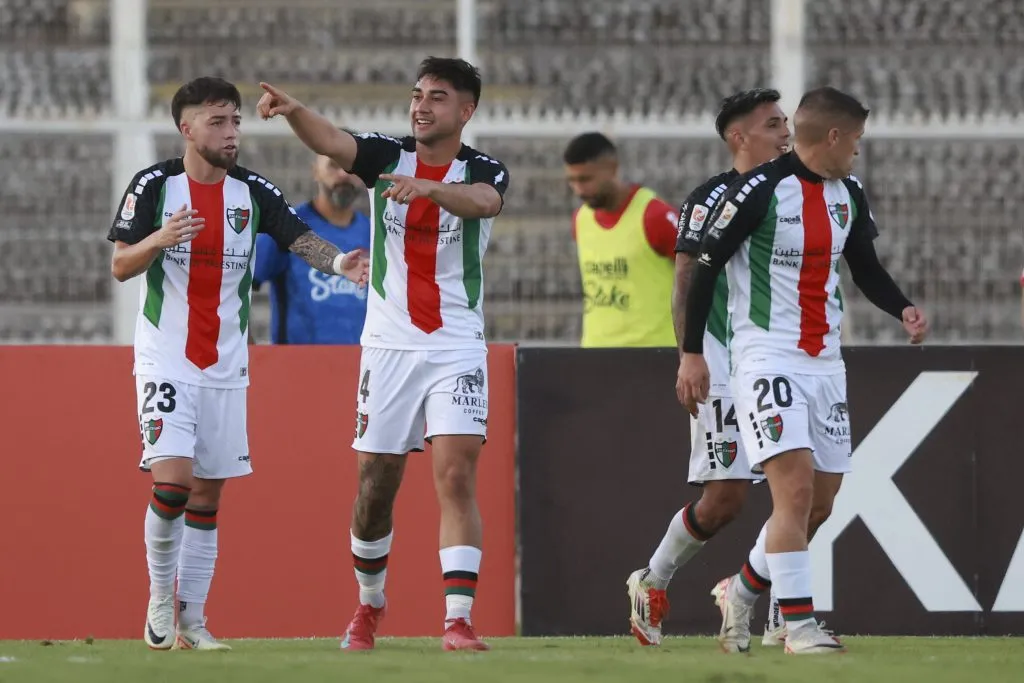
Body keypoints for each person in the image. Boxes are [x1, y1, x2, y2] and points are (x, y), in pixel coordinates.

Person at [257, 56, 510, 652]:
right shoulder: (385, 156)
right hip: (388, 346)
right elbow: (332, 141)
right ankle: (369, 603)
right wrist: (295, 112)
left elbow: (483, 202)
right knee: (375, 486)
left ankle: (457, 620)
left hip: (455, 345)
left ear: (466, 110)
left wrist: (431, 188)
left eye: (437, 97)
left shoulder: (485, 169)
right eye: (417, 94)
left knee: (456, 473)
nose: (421, 105)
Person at [107, 76, 368, 651]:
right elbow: (121, 265)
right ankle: (159, 597)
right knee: (173, 483)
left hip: (227, 363)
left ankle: (194, 623)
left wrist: (339, 264)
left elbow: (298, 238)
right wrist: (158, 240)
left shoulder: (252, 191)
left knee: (207, 496)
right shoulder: (154, 185)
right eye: (218, 121)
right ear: (187, 128)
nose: (231, 133)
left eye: (236, 122)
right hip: (166, 357)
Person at [678, 86, 928, 655]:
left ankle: (741, 590)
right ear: (833, 137)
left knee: (820, 502)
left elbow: (864, 266)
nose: (858, 150)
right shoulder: (758, 190)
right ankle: (797, 626)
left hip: (826, 364)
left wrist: (902, 308)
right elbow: (706, 268)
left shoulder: (850, 193)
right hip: (766, 357)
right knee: (791, 492)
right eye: (856, 139)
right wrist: (692, 352)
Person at [625, 88, 791, 647]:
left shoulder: (804, 191)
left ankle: (782, 608)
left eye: (786, 122)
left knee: (804, 492)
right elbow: (685, 279)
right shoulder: (710, 199)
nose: (786, 132)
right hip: (723, 358)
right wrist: (689, 355)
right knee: (726, 500)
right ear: (739, 137)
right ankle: (653, 579)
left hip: (786, 358)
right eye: (773, 124)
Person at [563, 132, 679, 347]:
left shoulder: (655, 216)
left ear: (612, 168)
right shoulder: (581, 219)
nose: (578, 189)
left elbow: (699, 275)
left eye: (586, 179)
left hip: (653, 352)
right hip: (595, 351)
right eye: (572, 180)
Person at [253, 151, 371, 344]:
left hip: (360, 359)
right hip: (298, 360)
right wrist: (246, 342)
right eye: (333, 165)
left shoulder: (373, 232)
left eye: (351, 168)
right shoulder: (288, 227)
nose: (343, 174)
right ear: (316, 171)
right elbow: (238, 283)